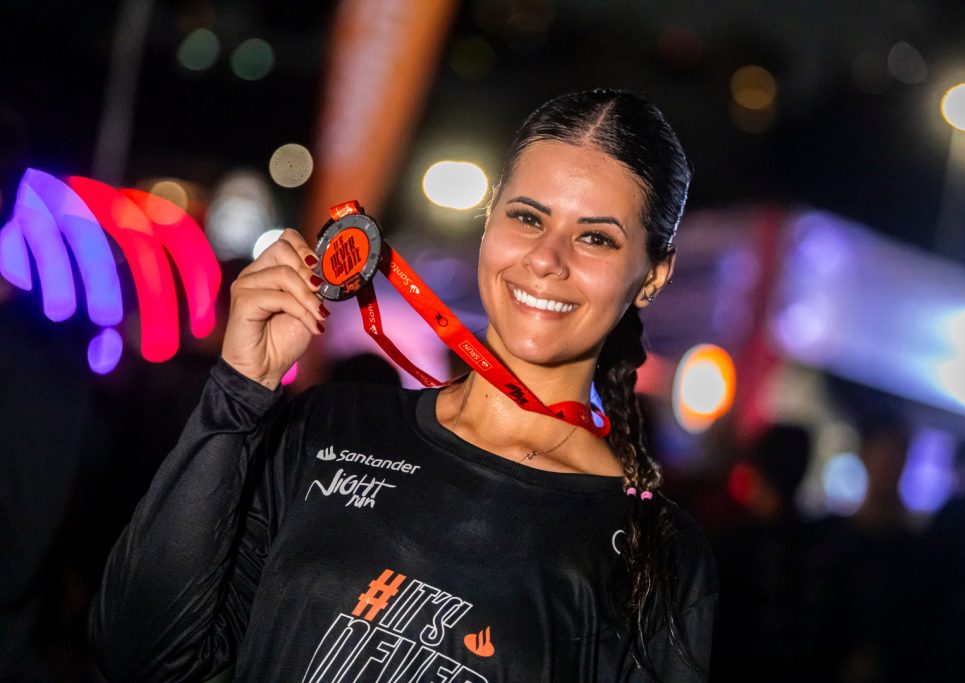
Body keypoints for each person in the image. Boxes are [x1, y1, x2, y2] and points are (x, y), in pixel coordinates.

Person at [88, 89, 718, 682]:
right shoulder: (333, 425)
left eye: (595, 237)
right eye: (528, 217)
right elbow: (138, 653)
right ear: (489, 217)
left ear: (653, 275)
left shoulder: (656, 555)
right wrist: (238, 393)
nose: (548, 259)